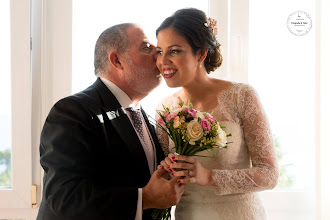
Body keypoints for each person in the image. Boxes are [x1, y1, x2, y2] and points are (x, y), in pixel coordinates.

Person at [37, 23, 185, 220]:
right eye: (147, 48)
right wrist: (145, 198)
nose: (158, 55)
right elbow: (65, 197)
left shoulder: (145, 116)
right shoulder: (72, 112)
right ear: (117, 60)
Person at [155, 8, 279, 220]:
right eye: (159, 51)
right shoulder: (165, 109)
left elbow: (269, 174)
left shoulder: (242, 96)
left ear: (201, 53)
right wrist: (166, 170)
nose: (163, 61)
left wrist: (210, 176)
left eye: (174, 51)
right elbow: (166, 175)